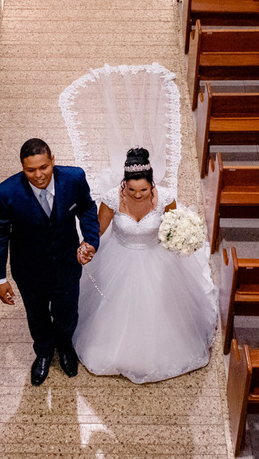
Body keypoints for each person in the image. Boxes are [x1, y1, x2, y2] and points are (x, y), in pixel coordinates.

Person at [73, 148, 216, 384]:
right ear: (124, 185)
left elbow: (173, 227)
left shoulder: (166, 199)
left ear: (152, 185)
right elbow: (98, 229)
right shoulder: (111, 199)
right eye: (131, 190)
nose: (137, 195)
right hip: (119, 257)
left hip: (156, 257)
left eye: (143, 190)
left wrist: (182, 239)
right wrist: (87, 246)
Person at [0, 138, 100, 386]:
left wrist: (90, 240)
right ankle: (43, 352)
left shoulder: (74, 179)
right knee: (36, 314)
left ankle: (65, 345)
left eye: (43, 167)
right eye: (30, 170)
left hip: (66, 264)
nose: (38, 175)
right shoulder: (5, 194)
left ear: (52, 160)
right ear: (22, 167)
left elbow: (87, 208)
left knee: (67, 312)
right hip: (29, 269)